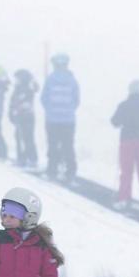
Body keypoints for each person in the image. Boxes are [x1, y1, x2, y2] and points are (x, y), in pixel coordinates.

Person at [109, 79, 139, 212]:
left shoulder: (124, 105)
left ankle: (124, 198)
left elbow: (114, 122)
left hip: (127, 141)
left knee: (126, 171)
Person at [41, 53, 80, 181]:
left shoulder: (50, 79)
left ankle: (52, 170)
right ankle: (70, 171)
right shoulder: (72, 81)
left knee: (53, 145)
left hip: (52, 119)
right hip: (68, 120)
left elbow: (43, 99)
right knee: (68, 145)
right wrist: (68, 110)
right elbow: (76, 100)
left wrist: (51, 110)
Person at [9, 69, 39, 168]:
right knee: (19, 137)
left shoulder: (26, 88)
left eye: (17, 78)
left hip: (26, 116)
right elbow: (13, 103)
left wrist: (15, 111)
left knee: (27, 138)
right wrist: (11, 114)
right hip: (20, 116)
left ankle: (31, 159)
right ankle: (22, 158)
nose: (16, 80)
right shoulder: (17, 89)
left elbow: (35, 90)